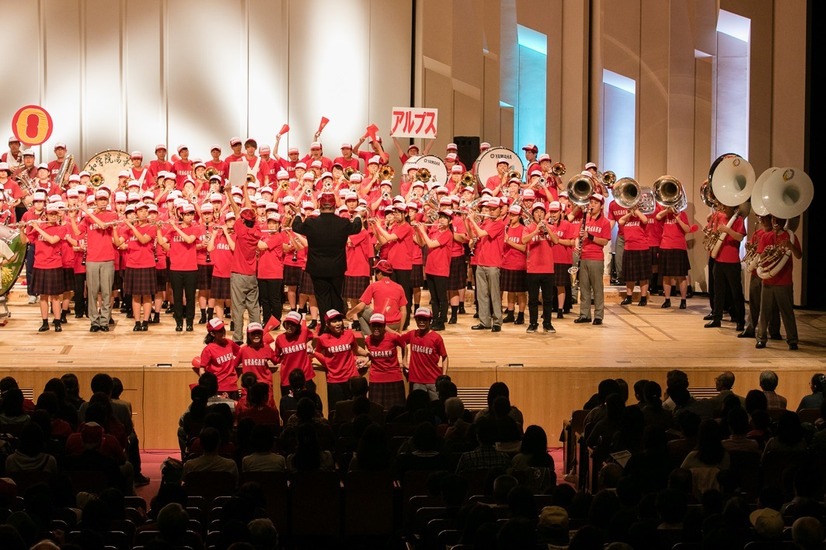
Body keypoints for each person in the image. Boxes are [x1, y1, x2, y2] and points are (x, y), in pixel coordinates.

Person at [291, 190, 362, 333]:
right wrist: (359, 215)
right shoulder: (342, 223)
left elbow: (296, 226)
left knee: (322, 298)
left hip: (317, 268)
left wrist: (298, 213)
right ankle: (337, 326)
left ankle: (325, 326)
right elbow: (357, 227)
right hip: (337, 268)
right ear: (335, 206)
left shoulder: (311, 222)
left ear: (320, 205)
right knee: (336, 296)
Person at [755, 214, 802, 350]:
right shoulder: (766, 236)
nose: (776, 222)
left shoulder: (790, 237)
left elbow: (799, 255)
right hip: (768, 280)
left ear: (784, 220)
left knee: (787, 312)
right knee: (764, 312)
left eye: (779, 219)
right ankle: (761, 339)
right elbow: (760, 257)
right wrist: (768, 252)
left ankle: (792, 340)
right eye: (774, 219)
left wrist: (790, 246)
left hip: (784, 281)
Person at [73, 189, 118, 331]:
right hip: (92, 259)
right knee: (92, 292)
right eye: (100, 200)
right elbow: (77, 232)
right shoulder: (87, 218)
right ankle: (94, 321)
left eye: (105, 200)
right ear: (96, 202)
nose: (103, 202)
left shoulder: (112, 214)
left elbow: (103, 226)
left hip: (107, 258)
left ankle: (104, 321)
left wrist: (87, 211)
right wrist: (73, 217)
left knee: (106, 292)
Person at [224, 182, 262, 342]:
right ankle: (256, 336)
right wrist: (245, 189)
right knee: (253, 308)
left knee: (238, 308)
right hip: (252, 275)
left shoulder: (240, 229)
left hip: (238, 275)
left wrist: (228, 193)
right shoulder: (257, 231)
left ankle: (238, 338)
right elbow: (248, 211)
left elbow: (237, 210)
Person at [158, 202, 203, 331]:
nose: (189, 217)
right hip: (175, 268)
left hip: (191, 269)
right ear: (181, 215)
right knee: (177, 298)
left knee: (190, 298)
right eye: (187, 214)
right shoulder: (172, 230)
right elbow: (161, 242)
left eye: (191, 214)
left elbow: (189, 240)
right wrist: (158, 229)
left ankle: (189, 323)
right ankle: (178, 322)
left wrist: (176, 228)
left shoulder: (195, 228)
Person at [312, 309, 368, 412]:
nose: (338, 323)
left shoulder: (349, 334)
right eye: (334, 321)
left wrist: (369, 354)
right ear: (328, 324)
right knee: (337, 412)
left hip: (351, 378)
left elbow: (356, 349)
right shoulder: (323, 338)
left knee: (355, 411)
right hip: (334, 381)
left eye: (339, 320)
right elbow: (318, 352)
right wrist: (326, 363)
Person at [705, 204, 746, 331]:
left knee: (736, 292)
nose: (723, 208)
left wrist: (727, 230)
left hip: (732, 261)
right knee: (718, 292)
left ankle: (740, 320)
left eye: (726, 207)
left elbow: (740, 237)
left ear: (733, 208)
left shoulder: (738, 219)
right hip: (718, 260)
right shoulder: (720, 216)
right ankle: (716, 318)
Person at [466, 198, 505, 331]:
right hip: (481, 262)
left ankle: (497, 322)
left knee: (494, 294)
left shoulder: (499, 224)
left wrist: (472, 220)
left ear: (500, 209)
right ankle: (484, 321)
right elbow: (473, 235)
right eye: (490, 209)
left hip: (493, 264)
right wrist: (467, 220)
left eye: (494, 209)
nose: (491, 211)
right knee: (481, 295)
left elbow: (482, 233)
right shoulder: (487, 222)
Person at [574, 194, 611, 325]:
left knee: (597, 288)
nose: (592, 205)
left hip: (596, 258)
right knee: (583, 288)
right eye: (591, 202)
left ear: (601, 206)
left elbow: (605, 241)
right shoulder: (585, 219)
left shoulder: (605, 222)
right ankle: (584, 314)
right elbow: (578, 236)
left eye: (595, 203)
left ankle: (599, 315)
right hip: (583, 256)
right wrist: (576, 245)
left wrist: (590, 237)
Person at [413, 211, 453, 330]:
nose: (441, 220)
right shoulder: (434, 231)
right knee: (434, 298)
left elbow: (430, 244)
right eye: (440, 217)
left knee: (442, 298)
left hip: (441, 270)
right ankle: (435, 319)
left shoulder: (448, 234)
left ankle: (441, 321)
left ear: (450, 221)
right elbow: (421, 243)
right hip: (430, 269)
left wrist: (422, 229)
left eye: (445, 218)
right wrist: (417, 230)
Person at [346, 259, 408, 333]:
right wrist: (400, 330)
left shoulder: (374, 286)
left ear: (380, 273)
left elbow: (360, 306)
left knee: (360, 310)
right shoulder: (399, 287)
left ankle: (371, 335)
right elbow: (404, 312)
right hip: (396, 324)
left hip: (380, 322)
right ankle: (390, 332)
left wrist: (349, 313)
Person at [400, 307, 448, 400]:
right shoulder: (412, 334)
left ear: (430, 320)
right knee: (418, 408)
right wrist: (404, 361)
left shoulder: (436, 338)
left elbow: (445, 357)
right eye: (419, 319)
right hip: (416, 381)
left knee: (436, 407)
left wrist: (444, 375)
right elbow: (402, 342)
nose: (421, 322)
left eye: (425, 319)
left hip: (433, 380)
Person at [363, 313, 407, 411]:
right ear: (370, 326)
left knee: (396, 412)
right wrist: (367, 359)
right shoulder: (367, 340)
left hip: (394, 378)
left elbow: (404, 345)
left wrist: (404, 361)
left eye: (379, 325)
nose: (376, 328)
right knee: (376, 412)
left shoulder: (393, 337)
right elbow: (372, 354)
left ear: (384, 326)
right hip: (376, 380)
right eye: (374, 325)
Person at [197, 318, 241, 399]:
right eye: (219, 330)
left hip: (233, 386)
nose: (223, 332)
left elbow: (241, 353)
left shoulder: (229, 343)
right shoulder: (209, 349)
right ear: (212, 334)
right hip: (218, 387)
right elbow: (202, 368)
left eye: (223, 329)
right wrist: (207, 385)